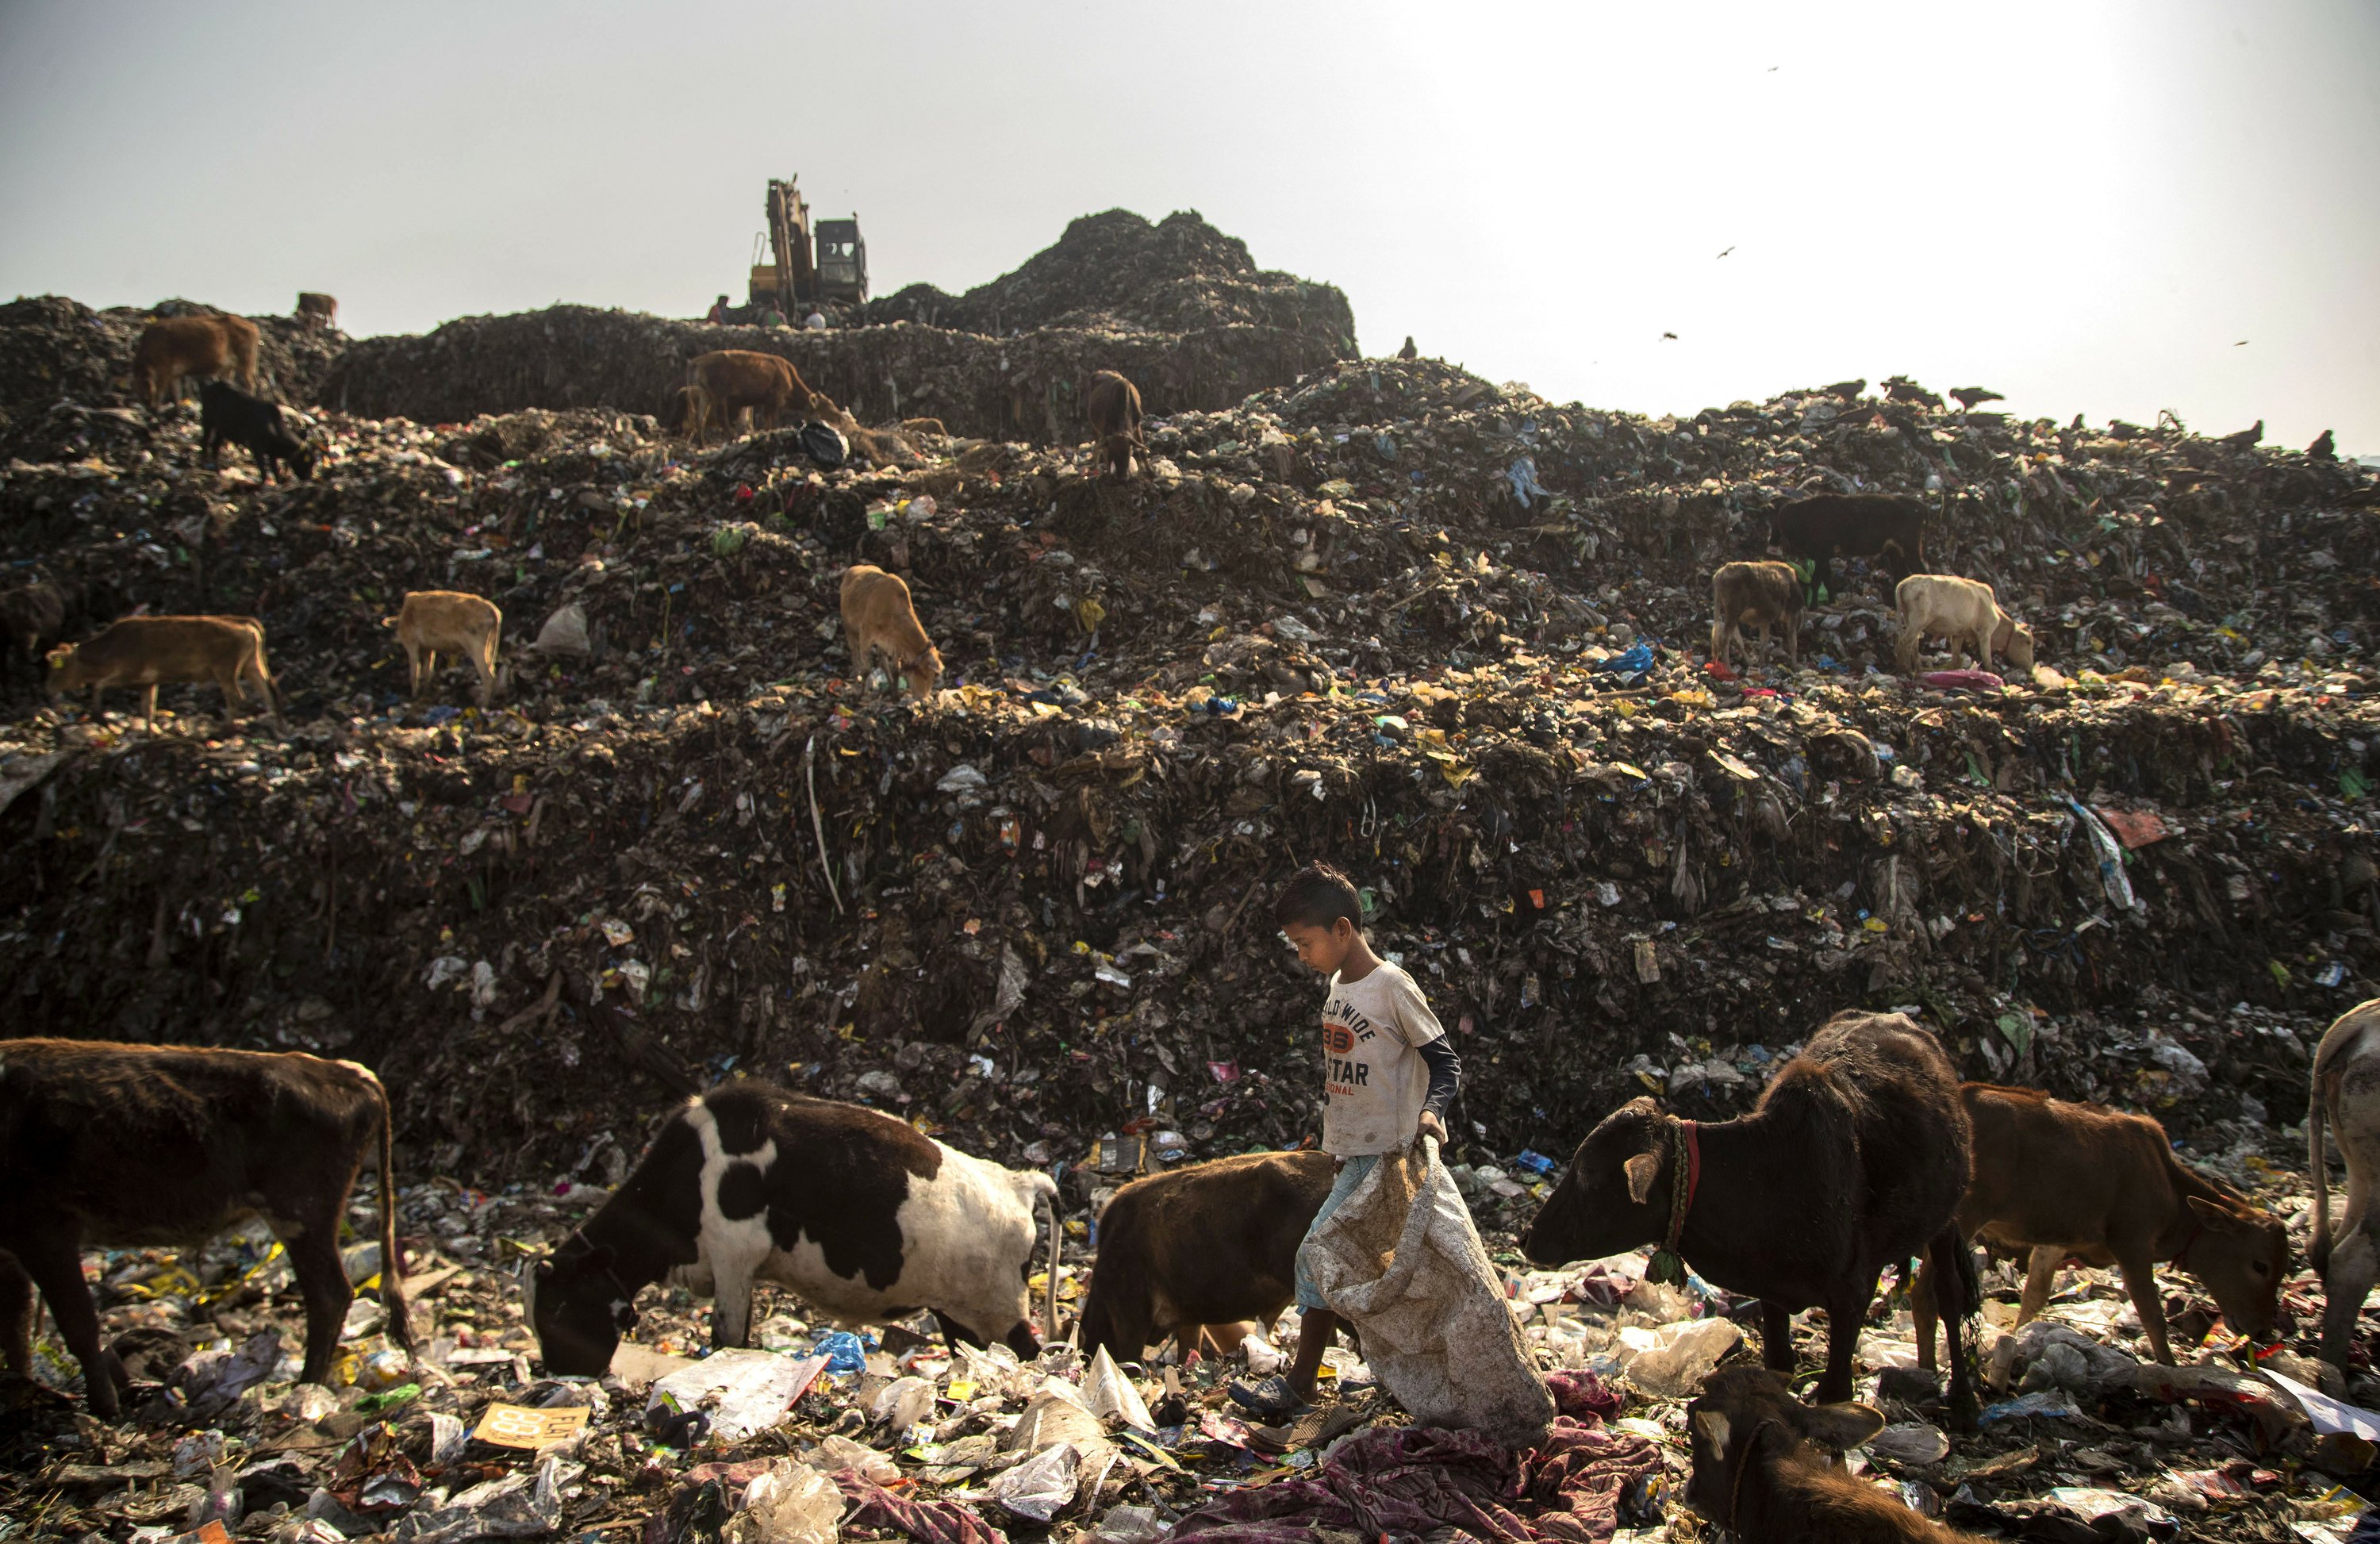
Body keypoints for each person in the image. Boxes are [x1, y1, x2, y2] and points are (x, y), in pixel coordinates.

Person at [1230, 862, 1461, 1419]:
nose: (1302, 956)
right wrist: (1335, 1138)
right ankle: (1399, 1379)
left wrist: (1431, 1115)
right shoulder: (1339, 985)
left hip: (1388, 1157)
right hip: (1353, 1154)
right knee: (1371, 1271)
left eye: (1305, 943)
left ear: (1342, 929)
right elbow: (1350, 1070)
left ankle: (1300, 1387)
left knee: (1318, 1254)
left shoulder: (1392, 987)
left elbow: (1446, 1064)